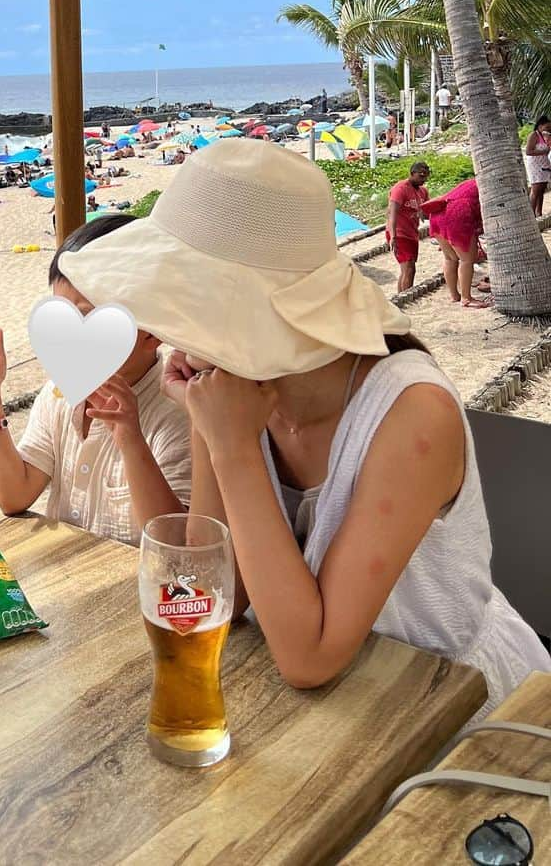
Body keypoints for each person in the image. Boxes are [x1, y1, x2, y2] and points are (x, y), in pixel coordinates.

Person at [57, 140, 549, 719]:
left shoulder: (410, 412)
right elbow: (219, 592)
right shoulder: (229, 384)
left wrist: (235, 450)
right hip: (331, 712)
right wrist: (216, 434)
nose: (164, 335)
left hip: (455, 710)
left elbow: (309, 658)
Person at [0, 214, 192, 547]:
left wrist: (131, 440)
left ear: (153, 331)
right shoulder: (59, 396)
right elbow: (14, 495)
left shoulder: (177, 414)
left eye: (89, 318)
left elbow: (176, 545)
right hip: (68, 581)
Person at [426, 177, 489, 308]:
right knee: (467, 260)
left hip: (438, 212)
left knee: (450, 258)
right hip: (457, 212)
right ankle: (466, 298)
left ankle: (455, 295)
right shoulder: (490, 184)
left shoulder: (473, 181)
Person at [386, 161, 430, 293]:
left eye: (426, 176)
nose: (424, 179)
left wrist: (424, 213)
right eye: (421, 176)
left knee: (407, 269)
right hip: (399, 232)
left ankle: (400, 297)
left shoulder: (423, 191)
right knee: (409, 268)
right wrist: (393, 236)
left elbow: (428, 212)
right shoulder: (400, 189)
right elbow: (391, 213)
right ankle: (404, 297)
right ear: (412, 174)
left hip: (412, 233)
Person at [523, 115, 551, 215]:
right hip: (535, 165)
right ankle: (531, 214)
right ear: (540, 126)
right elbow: (528, 151)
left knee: (542, 189)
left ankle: (539, 212)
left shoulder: (546, 136)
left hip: (545, 164)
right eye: (547, 127)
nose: (549, 129)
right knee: (535, 190)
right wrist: (544, 151)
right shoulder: (533, 135)